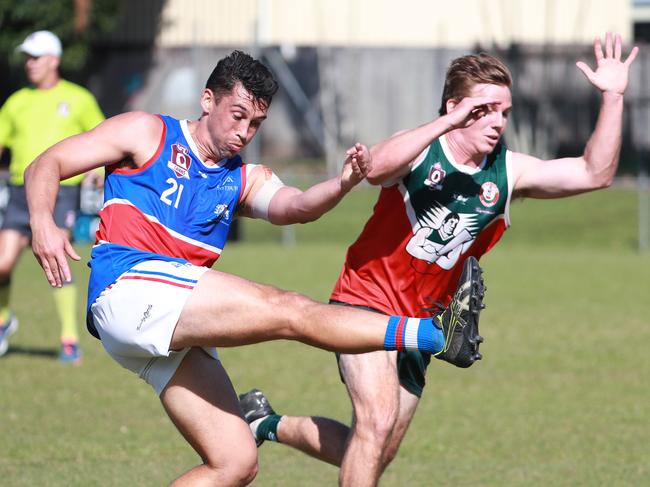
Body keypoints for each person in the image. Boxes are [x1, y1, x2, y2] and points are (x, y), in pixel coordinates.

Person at [25, 50, 487, 486]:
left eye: (257, 123)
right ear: (208, 100)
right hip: (127, 287)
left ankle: (428, 334)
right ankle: (433, 333)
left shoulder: (242, 178)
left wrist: (343, 184)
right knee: (285, 309)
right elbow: (48, 163)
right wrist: (43, 221)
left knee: (236, 461)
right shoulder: (147, 132)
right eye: (238, 115)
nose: (245, 132)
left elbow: (298, 206)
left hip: (162, 322)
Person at [238, 32, 638, 487]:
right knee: (376, 422)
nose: (497, 122)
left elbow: (595, 172)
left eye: (504, 112)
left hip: (424, 325)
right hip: (363, 302)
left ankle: (263, 422)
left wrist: (613, 96)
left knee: (376, 449)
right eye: (484, 110)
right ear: (454, 107)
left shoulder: (507, 171)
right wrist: (446, 125)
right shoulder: (423, 148)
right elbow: (378, 168)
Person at [0, 30, 104, 362]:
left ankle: (69, 338)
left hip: (62, 190)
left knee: (57, 260)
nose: (29, 63)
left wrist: (97, 170)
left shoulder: (78, 98)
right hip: (19, 191)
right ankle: (3, 321)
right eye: (27, 58)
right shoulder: (16, 102)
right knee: (2, 264)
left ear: (54, 60)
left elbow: (102, 138)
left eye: (36, 57)